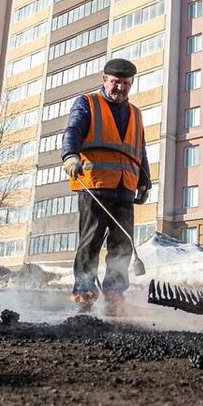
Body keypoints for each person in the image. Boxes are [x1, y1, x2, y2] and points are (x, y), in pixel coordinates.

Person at [61, 58, 151, 312]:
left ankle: (114, 292)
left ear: (131, 83)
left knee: (122, 243)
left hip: (125, 186)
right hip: (95, 185)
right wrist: (70, 155)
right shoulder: (87, 103)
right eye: (115, 82)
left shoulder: (136, 113)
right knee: (90, 241)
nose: (120, 88)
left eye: (125, 83)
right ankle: (84, 293)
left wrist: (145, 181)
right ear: (104, 80)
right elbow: (73, 131)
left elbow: (140, 149)